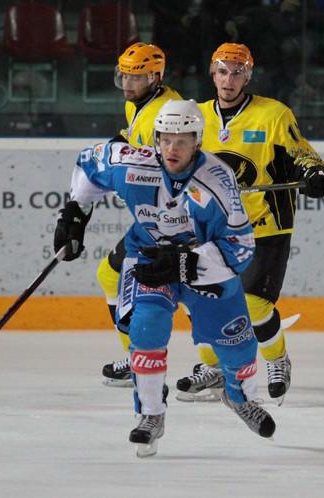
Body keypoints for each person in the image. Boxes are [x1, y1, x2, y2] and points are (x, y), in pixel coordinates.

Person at [54, 99, 275, 457]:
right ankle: (151, 414)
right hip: (148, 258)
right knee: (146, 329)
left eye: (183, 140)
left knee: (238, 344)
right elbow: (90, 161)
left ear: (198, 141)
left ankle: (239, 397)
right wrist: (76, 210)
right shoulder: (132, 165)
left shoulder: (218, 180)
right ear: (156, 138)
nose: (173, 148)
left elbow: (240, 247)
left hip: (205, 265)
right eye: (166, 139)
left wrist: (187, 264)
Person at [175, 43, 324, 405]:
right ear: (211, 74)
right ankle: (214, 367)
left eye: (237, 72)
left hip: (265, 224)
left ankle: (277, 359)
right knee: (200, 301)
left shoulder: (272, 114)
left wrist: (314, 172)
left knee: (254, 305)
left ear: (248, 75)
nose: (229, 79)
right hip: (211, 227)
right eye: (222, 71)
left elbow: (300, 153)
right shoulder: (196, 115)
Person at [97, 42, 182, 387]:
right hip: (153, 217)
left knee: (192, 292)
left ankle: (218, 368)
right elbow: (132, 141)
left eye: (137, 78)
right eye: (125, 77)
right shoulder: (139, 105)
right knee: (109, 274)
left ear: (156, 76)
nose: (128, 85)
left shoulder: (167, 112)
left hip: (172, 219)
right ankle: (137, 359)